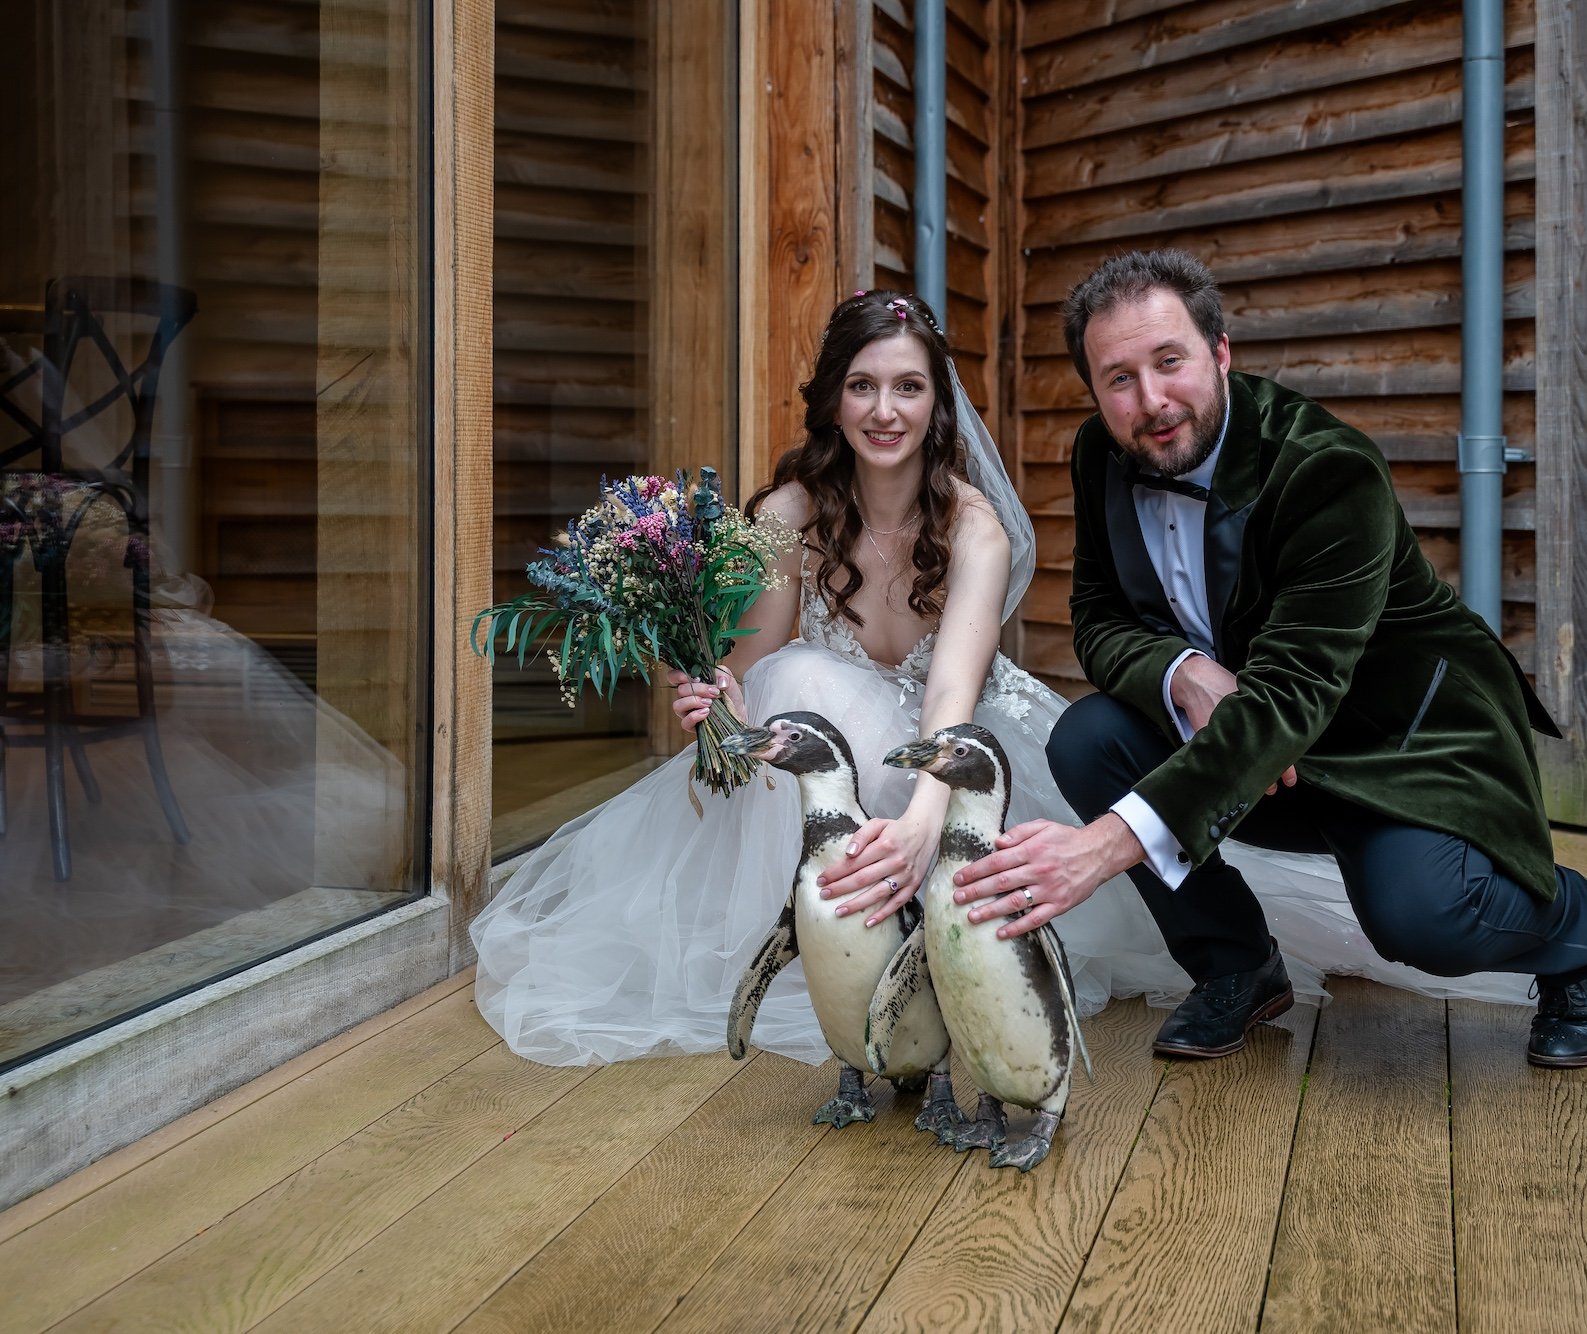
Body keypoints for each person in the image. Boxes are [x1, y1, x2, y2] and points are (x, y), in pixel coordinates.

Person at [471, 288, 1531, 1070]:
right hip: (840, 745)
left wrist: (932, 809)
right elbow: (754, 677)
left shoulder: (968, 523)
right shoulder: (785, 517)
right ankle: (826, 940)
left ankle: (1228, 936)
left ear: (937, 404)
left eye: (908, 387)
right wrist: (711, 698)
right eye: (862, 386)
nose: (884, 409)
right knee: (802, 682)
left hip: (962, 738)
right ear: (832, 400)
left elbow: (953, 695)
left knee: (1007, 760)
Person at [950, 251, 1587, 1068]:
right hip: (1262, 747)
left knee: (1420, 921)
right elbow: (1096, 617)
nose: (1151, 401)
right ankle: (1236, 965)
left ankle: (1580, 928)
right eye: (1118, 378)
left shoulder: (1327, 471)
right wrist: (1182, 672)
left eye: (1170, 362)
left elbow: (1292, 695)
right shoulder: (1101, 454)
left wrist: (1101, 847)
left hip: (1398, 744)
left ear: (1221, 353)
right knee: (1089, 739)